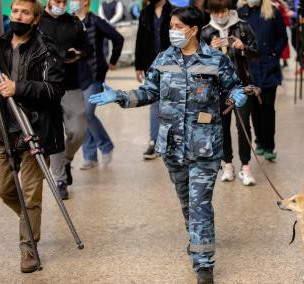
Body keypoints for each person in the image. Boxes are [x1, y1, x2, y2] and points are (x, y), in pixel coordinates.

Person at [89, 6, 247, 283]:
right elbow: (148, 92)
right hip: (172, 144)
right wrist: (120, 97)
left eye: (177, 26)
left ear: (194, 30)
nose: (172, 30)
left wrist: (238, 94)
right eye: (171, 25)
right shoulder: (163, 59)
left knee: (200, 204)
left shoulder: (214, 59)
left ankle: (203, 264)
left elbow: (233, 85)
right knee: (186, 200)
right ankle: (196, 237)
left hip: (205, 145)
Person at [0, 0, 64, 273]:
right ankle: (29, 220)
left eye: (25, 12)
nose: (18, 16)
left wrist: (18, 87)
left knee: (31, 195)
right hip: (2, 129)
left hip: (34, 129)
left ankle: (28, 247)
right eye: (15, 11)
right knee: (2, 187)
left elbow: (54, 90)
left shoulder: (47, 48)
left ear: (35, 19)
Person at [201, 0, 259, 185]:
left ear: (229, 10)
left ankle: (245, 166)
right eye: (216, 12)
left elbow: (257, 52)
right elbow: (198, 63)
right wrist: (210, 52)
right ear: (210, 12)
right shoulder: (206, 31)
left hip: (242, 86)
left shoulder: (242, 26)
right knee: (221, 127)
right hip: (219, 90)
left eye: (223, 11)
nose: (220, 15)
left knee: (244, 127)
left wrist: (243, 48)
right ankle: (228, 164)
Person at [39, 0, 93, 199]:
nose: (61, 5)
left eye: (64, 1)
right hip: (44, 86)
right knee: (54, 135)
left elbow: (89, 47)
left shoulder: (75, 22)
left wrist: (80, 54)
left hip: (70, 84)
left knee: (79, 130)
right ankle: (60, 180)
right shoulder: (37, 21)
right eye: (57, 1)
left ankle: (66, 159)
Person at [71, 0, 124, 170]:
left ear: (85, 2)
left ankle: (106, 145)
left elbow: (118, 38)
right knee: (81, 115)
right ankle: (90, 156)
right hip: (74, 76)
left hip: (94, 74)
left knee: (87, 113)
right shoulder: (68, 22)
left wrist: (113, 60)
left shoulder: (95, 21)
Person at [238, 0, 288, 160]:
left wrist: (275, 54)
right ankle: (259, 141)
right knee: (254, 107)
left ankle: (269, 145)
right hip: (249, 68)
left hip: (268, 67)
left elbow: (282, 37)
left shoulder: (272, 11)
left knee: (267, 106)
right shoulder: (241, 13)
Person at [134, 0, 173, 160]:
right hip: (151, 64)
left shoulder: (173, 12)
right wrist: (138, 65)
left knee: (172, 102)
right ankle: (154, 142)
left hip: (172, 64)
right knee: (154, 103)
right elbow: (140, 39)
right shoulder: (145, 13)